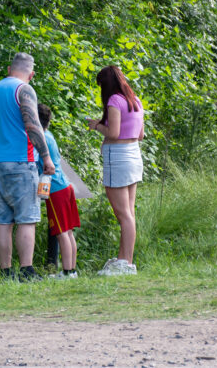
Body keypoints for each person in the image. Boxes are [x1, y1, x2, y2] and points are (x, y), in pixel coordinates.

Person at [0, 52, 55, 282]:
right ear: (32, 74)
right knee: (27, 219)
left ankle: (6, 272)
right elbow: (33, 125)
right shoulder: (24, 90)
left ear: (9, 69)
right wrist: (46, 158)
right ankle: (27, 271)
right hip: (21, 163)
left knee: (3, 221)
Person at [86, 65, 145, 276]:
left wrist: (96, 126)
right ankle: (124, 260)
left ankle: (125, 263)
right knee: (129, 213)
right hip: (134, 156)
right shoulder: (135, 100)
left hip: (118, 158)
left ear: (106, 85)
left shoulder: (114, 101)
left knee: (123, 215)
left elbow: (113, 133)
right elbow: (140, 135)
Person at [36, 104, 81, 279]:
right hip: (65, 186)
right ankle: (72, 271)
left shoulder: (40, 138)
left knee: (62, 232)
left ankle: (67, 272)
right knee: (68, 231)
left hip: (55, 189)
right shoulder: (49, 135)